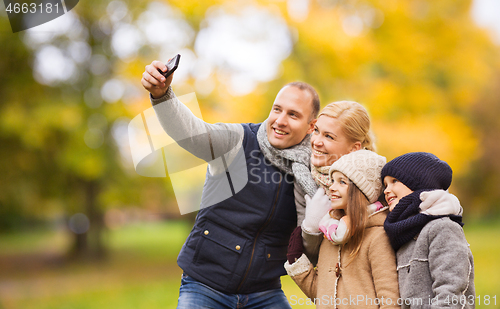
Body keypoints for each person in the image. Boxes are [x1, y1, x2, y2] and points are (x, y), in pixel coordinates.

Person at [141, 60, 320, 308]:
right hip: (204, 285)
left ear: (312, 126)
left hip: (264, 291)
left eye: (293, 114)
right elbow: (191, 132)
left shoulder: (314, 169)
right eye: (277, 109)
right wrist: (162, 95)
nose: (280, 120)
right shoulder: (238, 140)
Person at [285, 149, 401, 309]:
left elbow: (390, 301)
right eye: (332, 180)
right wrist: (298, 265)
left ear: (361, 190)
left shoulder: (377, 236)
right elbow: (323, 296)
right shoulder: (330, 235)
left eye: (342, 182)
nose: (332, 187)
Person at [382, 152, 475, 308]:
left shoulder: (443, 228)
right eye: (385, 185)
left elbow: (450, 292)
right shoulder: (404, 233)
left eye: (394, 181)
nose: (386, 190)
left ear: (418, 182)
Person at [299, 101, 376, 263]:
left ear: (354, 149)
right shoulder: (303, 177)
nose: (316, 141)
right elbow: (310, 258)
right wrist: (311, 228)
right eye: (316, 131)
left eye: (329, 136)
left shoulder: (372, 181)